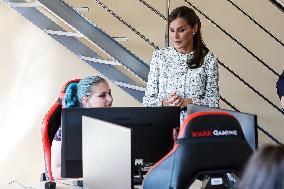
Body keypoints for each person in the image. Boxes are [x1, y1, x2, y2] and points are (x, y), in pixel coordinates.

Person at [143, 6, 220, 121]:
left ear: (194, 29)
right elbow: (147, 102)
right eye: (172, 30)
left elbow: (214, 104)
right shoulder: (159, 57)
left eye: (181, 30)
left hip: (195, 127)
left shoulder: (209, 60)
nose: (175, 36)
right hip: (164, 125)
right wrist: (165, 102)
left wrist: (190, 102)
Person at [51, 76, 113, 179]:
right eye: (102, 95)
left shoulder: (114, 124)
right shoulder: (67, 129)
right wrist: (95, 173)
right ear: (86, 100)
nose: (110, 99)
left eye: (109, 93)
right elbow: (56, 171)